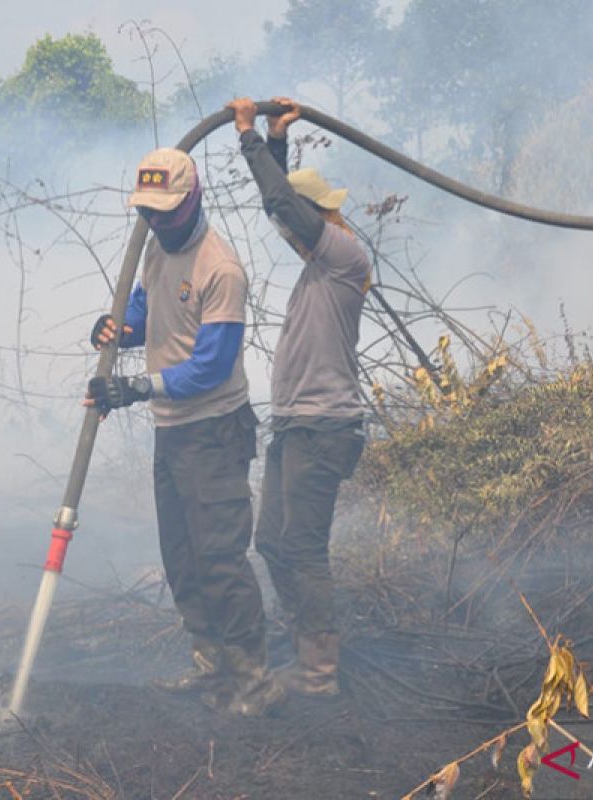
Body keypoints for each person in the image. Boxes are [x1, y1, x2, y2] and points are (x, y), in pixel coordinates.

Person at [85, 147, 284, 716]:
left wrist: (139, 387)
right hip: (172, 432)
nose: (158, 222)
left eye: (167, 212)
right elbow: (147, 314)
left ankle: (254, 680)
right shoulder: (155, 248)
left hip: (214, 432)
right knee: (182, 556)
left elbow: (212, 365)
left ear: (193, 199)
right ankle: (210, 667)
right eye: (148, 212)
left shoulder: (220, 269)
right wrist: (119, 330)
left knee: (220, 557)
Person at [225, 96, 370, 697]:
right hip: (296, 425)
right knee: (271, 542)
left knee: (302, 548)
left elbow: (283, 206)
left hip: (323, 426)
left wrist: (249, 137)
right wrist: (278, 139)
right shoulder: (319, 259)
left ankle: (318, 671)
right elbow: (283, 212)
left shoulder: (343, 253)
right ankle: (305, 646)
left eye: (305, 219)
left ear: (324, 217)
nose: (295, 231)